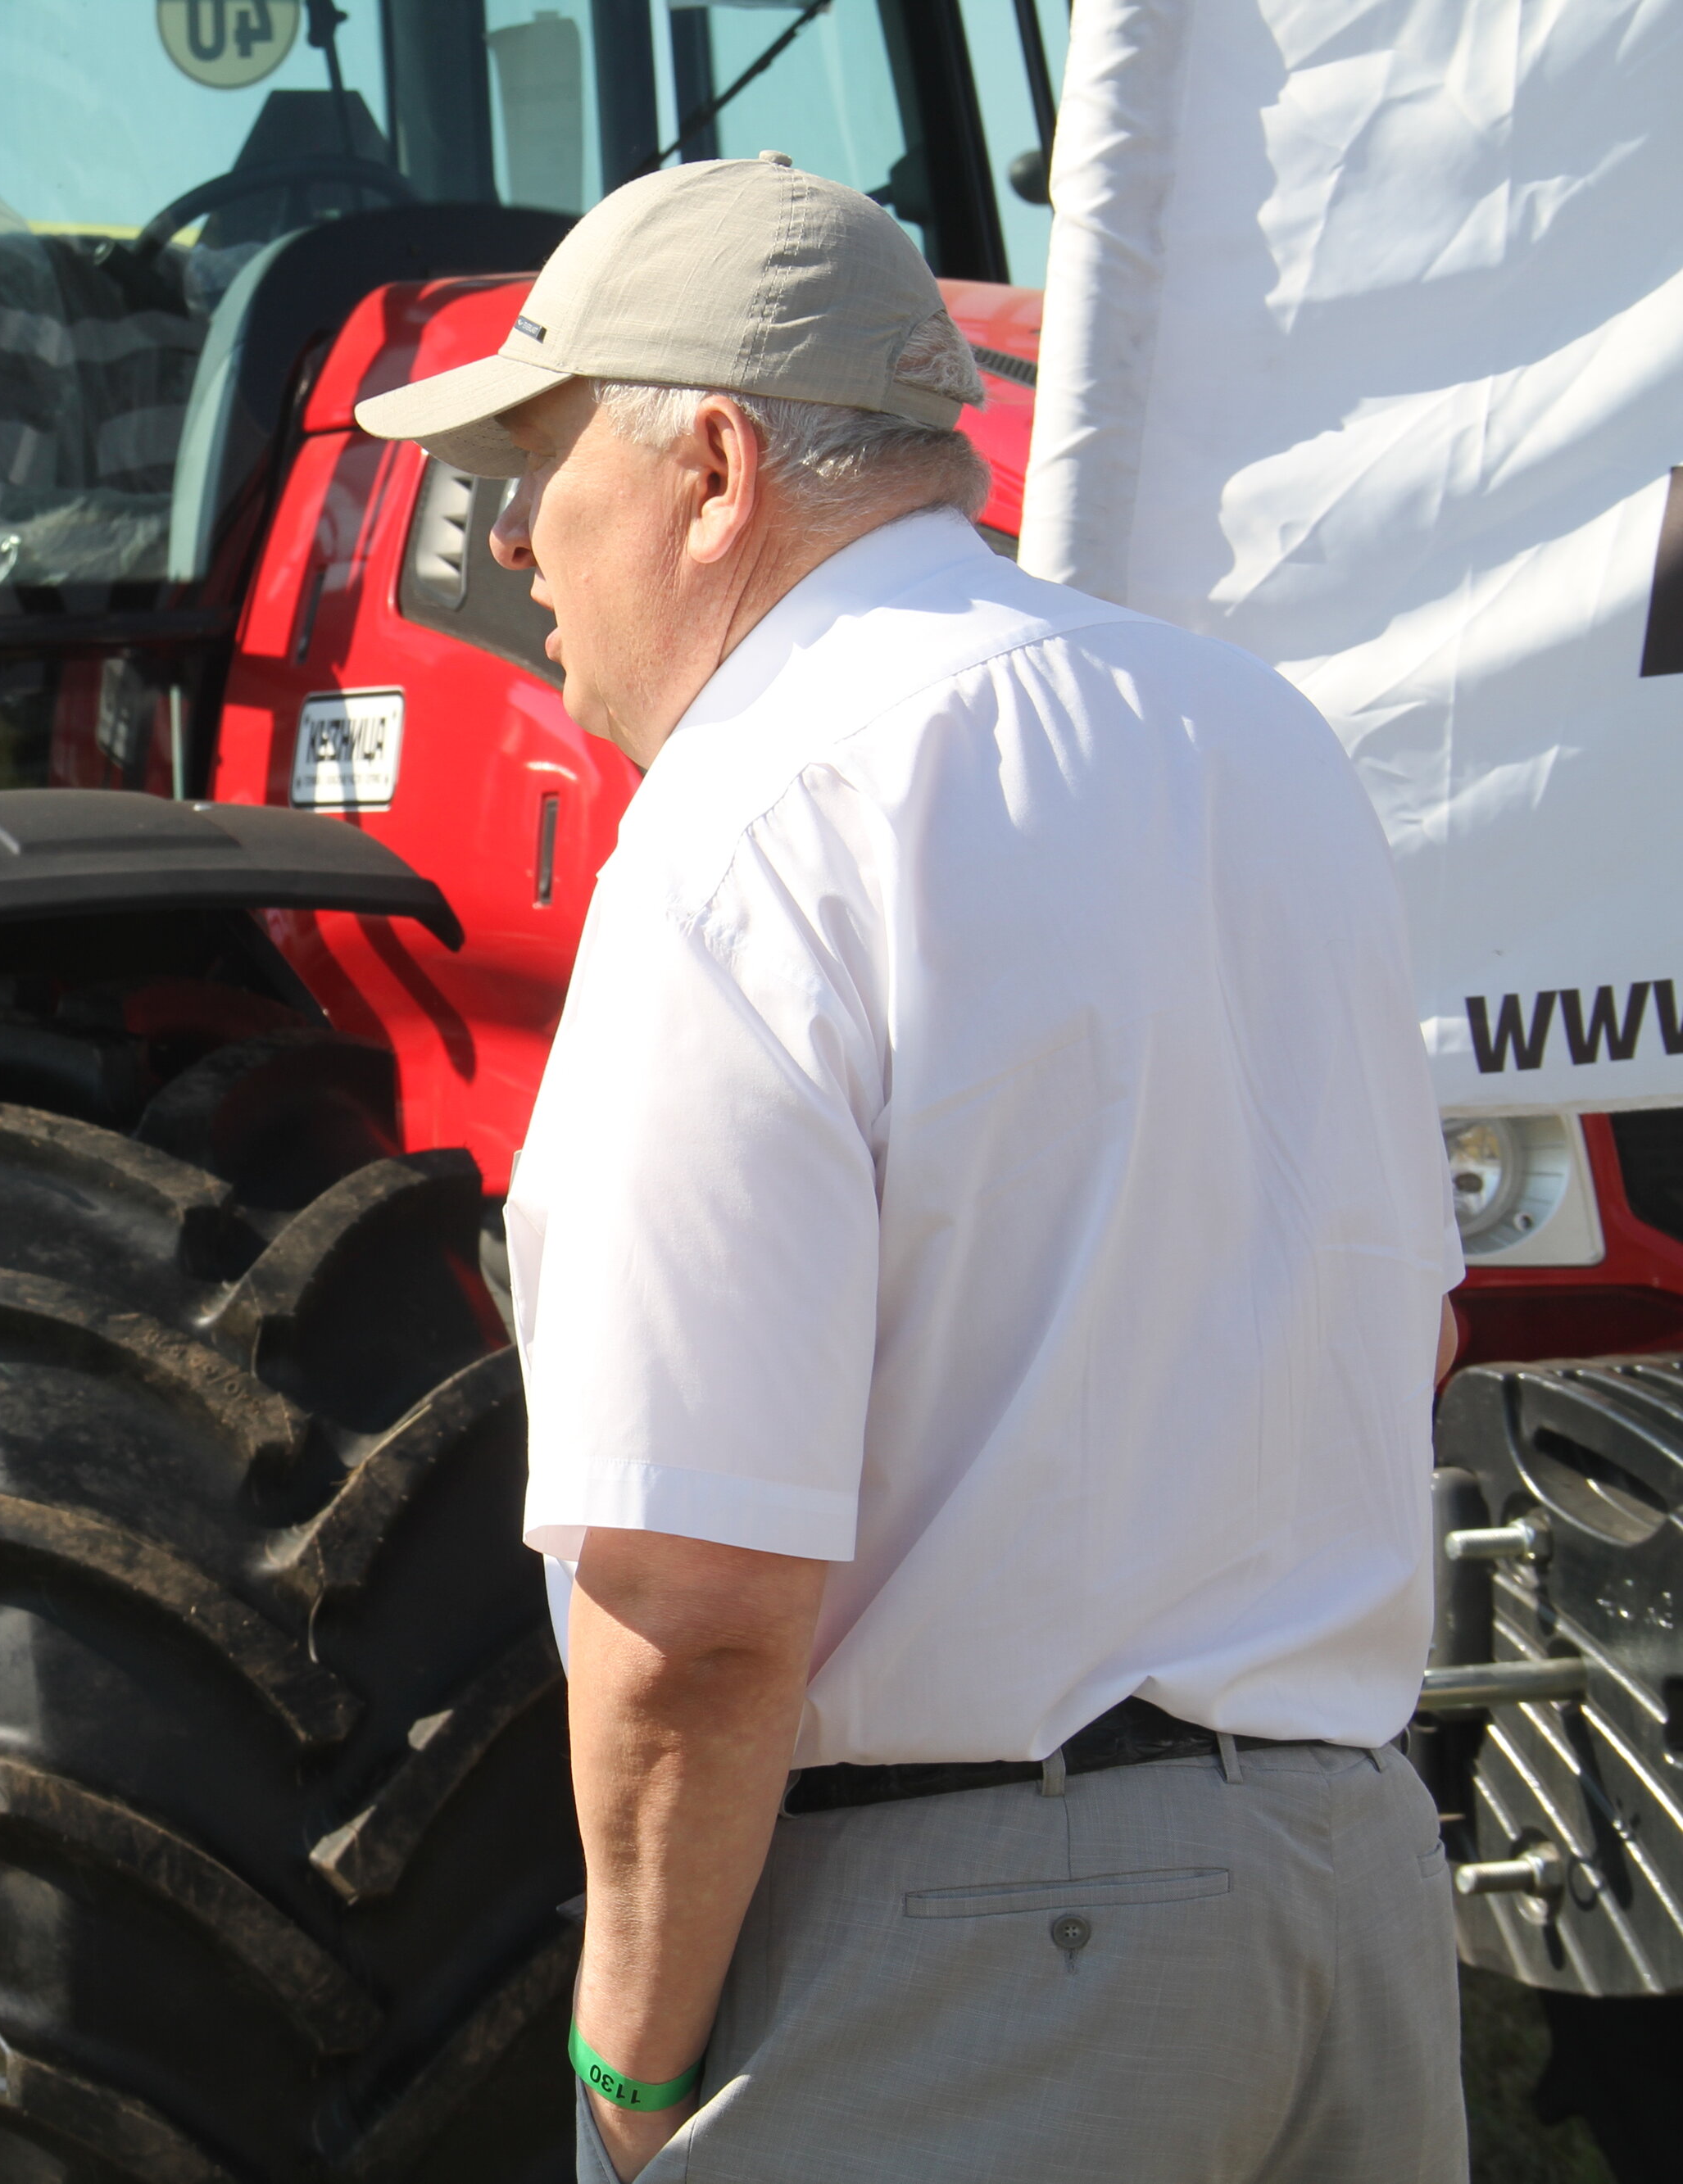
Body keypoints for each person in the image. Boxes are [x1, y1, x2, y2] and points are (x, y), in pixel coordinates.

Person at [356, 161, 1465, 2182]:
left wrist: (622, 2077)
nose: (505, 536)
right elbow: (1409, 1322)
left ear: (706, 464)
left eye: (535, 455)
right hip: (1352, 1906)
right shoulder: (1260, 744)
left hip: (975, 1960)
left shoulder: (741, 830)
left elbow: (690, 1602)